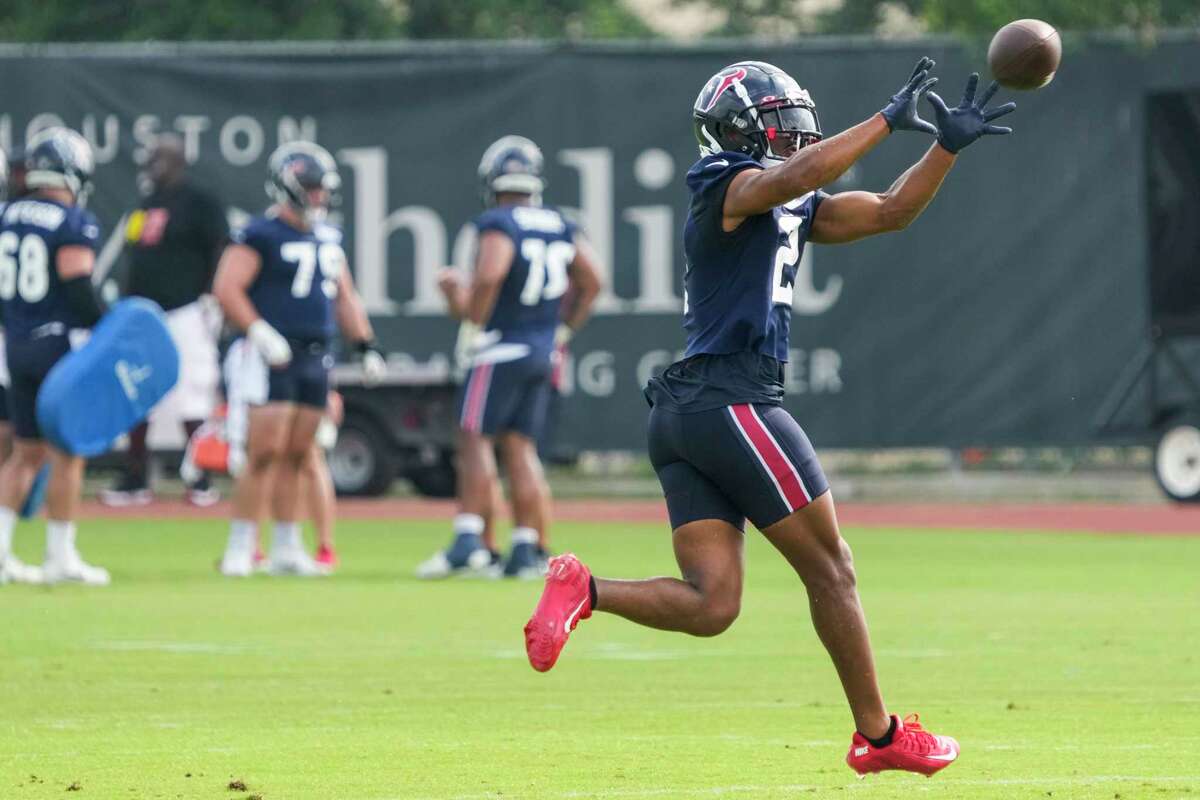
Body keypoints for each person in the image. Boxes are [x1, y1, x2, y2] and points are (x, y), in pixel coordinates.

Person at [524, 60, 1016, 777]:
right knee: (832, 567)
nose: (792, 129)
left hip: (690, 412)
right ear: (737, 127)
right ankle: (877, 737)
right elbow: (786, 179)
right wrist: (882, 119)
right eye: (779, 116)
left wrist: (944, 148)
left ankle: (582, 589)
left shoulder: (789, 200)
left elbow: (888, 211)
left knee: (713, 603)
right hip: (732, 398)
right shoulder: (724, 181)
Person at [417, 135, 601, 580]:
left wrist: (466, 309)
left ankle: (468, 540)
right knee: (521, 448)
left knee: (475, 439)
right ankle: (527, 547)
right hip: (542, 348)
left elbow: (490, 275)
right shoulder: (558, 223)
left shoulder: (499, 223)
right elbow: (593, 280)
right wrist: (562, 328)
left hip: (500, 347)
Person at [213, 141, 384, 577]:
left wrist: (364, 344)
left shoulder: (328, 237)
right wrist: (258, 329)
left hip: (316, 353)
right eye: (309, 188)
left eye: (320, 189)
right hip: (273, 354)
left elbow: (345, 295)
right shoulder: (259, 233)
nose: (317, 197)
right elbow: (227, 287)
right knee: (264, 452)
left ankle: (287, 545)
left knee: (299, 452)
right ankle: (241, 543)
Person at [0, 128, 111, 585]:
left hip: (16, 345)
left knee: (24, 455)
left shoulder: (7, 214)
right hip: (57, 346)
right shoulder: (70, 220)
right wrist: (110, 329)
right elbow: (78, 285)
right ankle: (60, 556)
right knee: (68, 454)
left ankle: (2, 552)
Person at [100, 134, 227, 508]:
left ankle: (199, 476)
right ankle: (136, 476)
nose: (153, 164)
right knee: (138, 392)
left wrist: (211, 294)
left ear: (180, 161)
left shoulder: (199, 202)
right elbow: (135, 254)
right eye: (151, 157)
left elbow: (221, 248)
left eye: (162, 157)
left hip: (187, 310)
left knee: (193, 391)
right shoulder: (146, 204)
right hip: (145, 313)